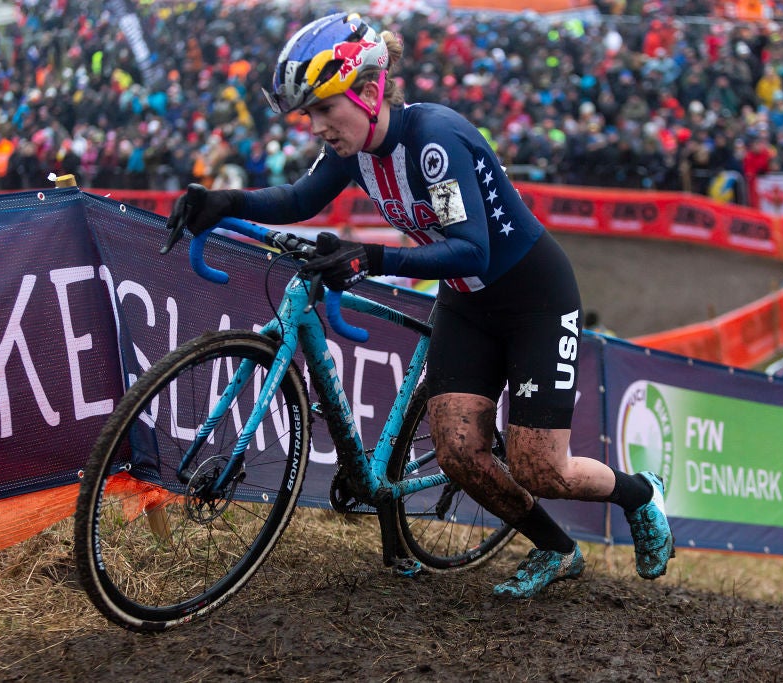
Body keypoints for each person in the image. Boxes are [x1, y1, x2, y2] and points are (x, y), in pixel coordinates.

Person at [164, 12, 674, 599]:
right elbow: (300, 198)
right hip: (465, 304)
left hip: (534, 299)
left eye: (325, 107)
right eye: (309, 115)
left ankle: (638, 492)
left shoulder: (434, 139)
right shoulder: (354, 150)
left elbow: (474, 250)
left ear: (369, 89)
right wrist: (222, 202)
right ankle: (557, 550)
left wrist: (369, 259)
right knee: (459, 454)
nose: (318, 126)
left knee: (542, 469)